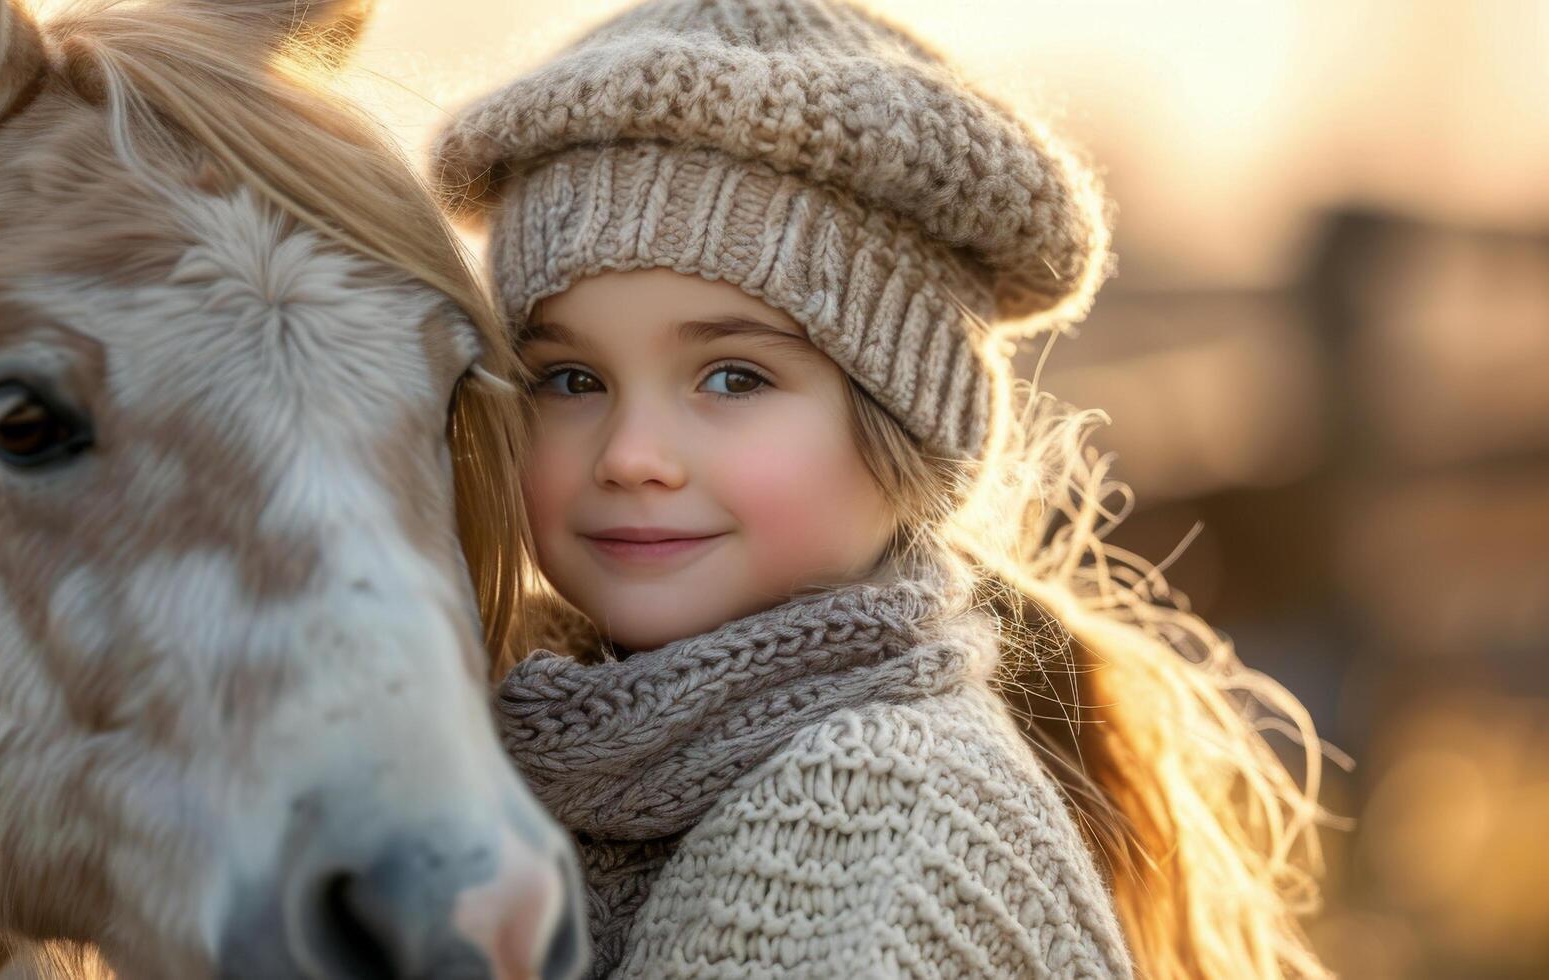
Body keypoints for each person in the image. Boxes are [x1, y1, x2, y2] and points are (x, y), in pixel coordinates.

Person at [432, 0, 1331, 976]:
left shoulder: (859, 802)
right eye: (569, 380)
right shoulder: (551, 749)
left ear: (906, 423)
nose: (631, 453)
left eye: (733, 377)